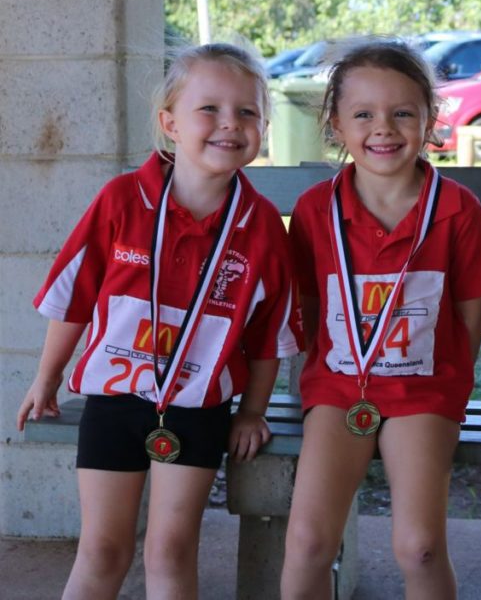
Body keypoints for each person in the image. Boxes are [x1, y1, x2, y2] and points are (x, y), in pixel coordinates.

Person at [16, 42, 303, 599]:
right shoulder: (122, 199)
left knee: (170, 550)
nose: (230, 124)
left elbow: (268, 336)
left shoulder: (263, 225)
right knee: (102, 549)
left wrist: (253, 412)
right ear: (169, 122)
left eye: (247, 112)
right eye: (210, 109)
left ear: (264, 126)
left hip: (198, 408)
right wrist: (46, 378)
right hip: (114, 403)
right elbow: (74, 298)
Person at [280, 38, 481, 599]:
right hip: (338, 389)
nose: (384, 128)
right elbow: (308, 306)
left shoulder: (456, 208)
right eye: (364, 114)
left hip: (424, 390)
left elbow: (470, 314)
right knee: (308, 542)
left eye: (403, 112)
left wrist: (446, 386)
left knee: (419, 545)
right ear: (336, 123)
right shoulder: (315, 210)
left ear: (429, 119)